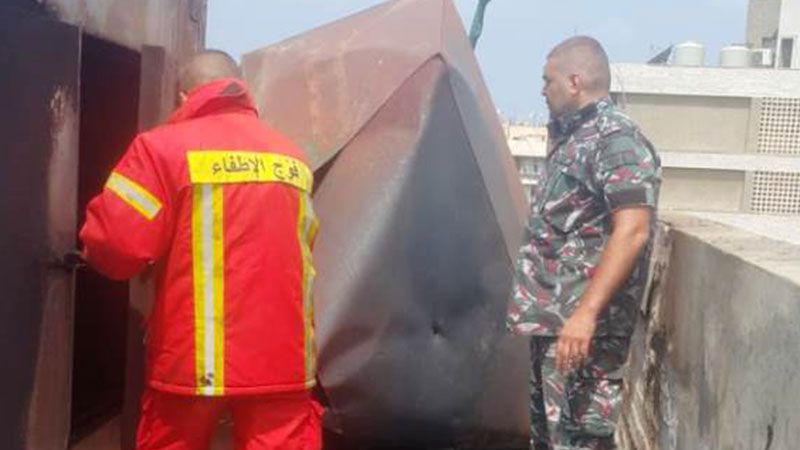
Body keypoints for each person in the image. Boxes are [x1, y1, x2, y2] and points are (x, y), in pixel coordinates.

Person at [79, 50, 322, 450]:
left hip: (195, 361)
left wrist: (90, 252)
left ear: (182, 96)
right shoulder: (292, 157)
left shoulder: (162, 150)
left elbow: (117, 246)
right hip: (285, 358)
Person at [506, 36, 661, 450]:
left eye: (548, 80)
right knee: (551, 439)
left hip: (584, 333)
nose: (542, 90)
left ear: (574, 81)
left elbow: (633, 230)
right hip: (555, 328)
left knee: (580, 440)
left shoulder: (616, 139)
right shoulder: (574, 141)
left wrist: (586, 315)